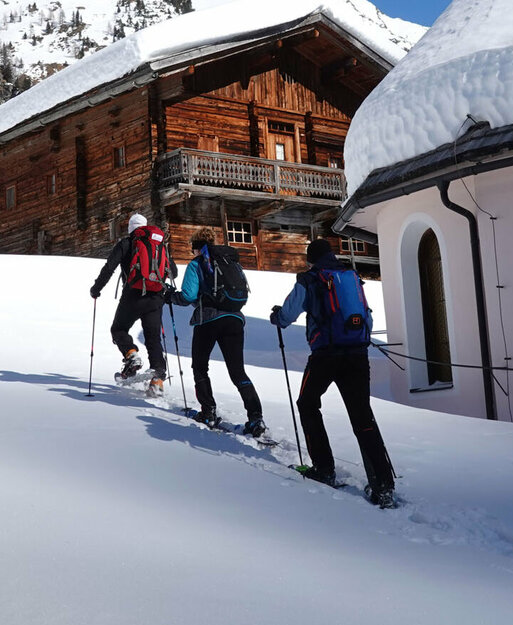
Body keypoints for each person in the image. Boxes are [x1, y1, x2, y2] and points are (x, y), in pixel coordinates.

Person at [270, 238, 396, 508]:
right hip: (358, 354)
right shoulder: (350, 277)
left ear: (310, 259)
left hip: (326, 355)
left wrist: (277, 316)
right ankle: (383, 485)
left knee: (307, 403)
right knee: (362, 416)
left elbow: (288, 313)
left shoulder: (310, 278)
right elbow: (367, 317)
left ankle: (324, 468)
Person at [168, 229, 266, 435]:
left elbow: (188, 296)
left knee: (200, 366)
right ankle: (256, 418)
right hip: (235, 319)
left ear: (196, 246)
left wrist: (170, 297)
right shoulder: (231, 261)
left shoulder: (197, 264)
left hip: (209, 320)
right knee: (237, 371)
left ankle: (208, 411)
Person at [90, 213, 176, 397]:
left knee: (118, 329)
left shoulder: (126, 243)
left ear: (130, 228)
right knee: (153, 338)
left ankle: (131, 355)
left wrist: (96, 289)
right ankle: (157, 381)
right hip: (155, 297)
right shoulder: (159, 245)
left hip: (132, 296)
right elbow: (173, 271)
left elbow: (109, 267)